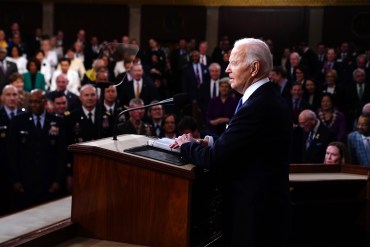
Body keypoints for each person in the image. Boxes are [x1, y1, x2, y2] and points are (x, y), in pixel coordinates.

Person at [170, 38, 292, 246]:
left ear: (254, 68)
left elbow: (216, 159)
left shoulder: (257, 105)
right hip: (263, 206)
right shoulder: (266, 97)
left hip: (253, 213)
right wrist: (208, 141)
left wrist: (186, 144)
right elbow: (246, 145)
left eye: (234, 63)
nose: (227, 69)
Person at [7, 89, 67, 210]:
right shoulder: (18, 121)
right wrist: (15, 180)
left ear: (44, 102)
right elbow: (12, 153)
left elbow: (62, 154)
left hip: (49, 181)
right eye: (31, 102)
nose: (33, 105)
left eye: (37, 101)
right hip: (25, 181)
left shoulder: (58, 122)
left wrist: (58, 180)